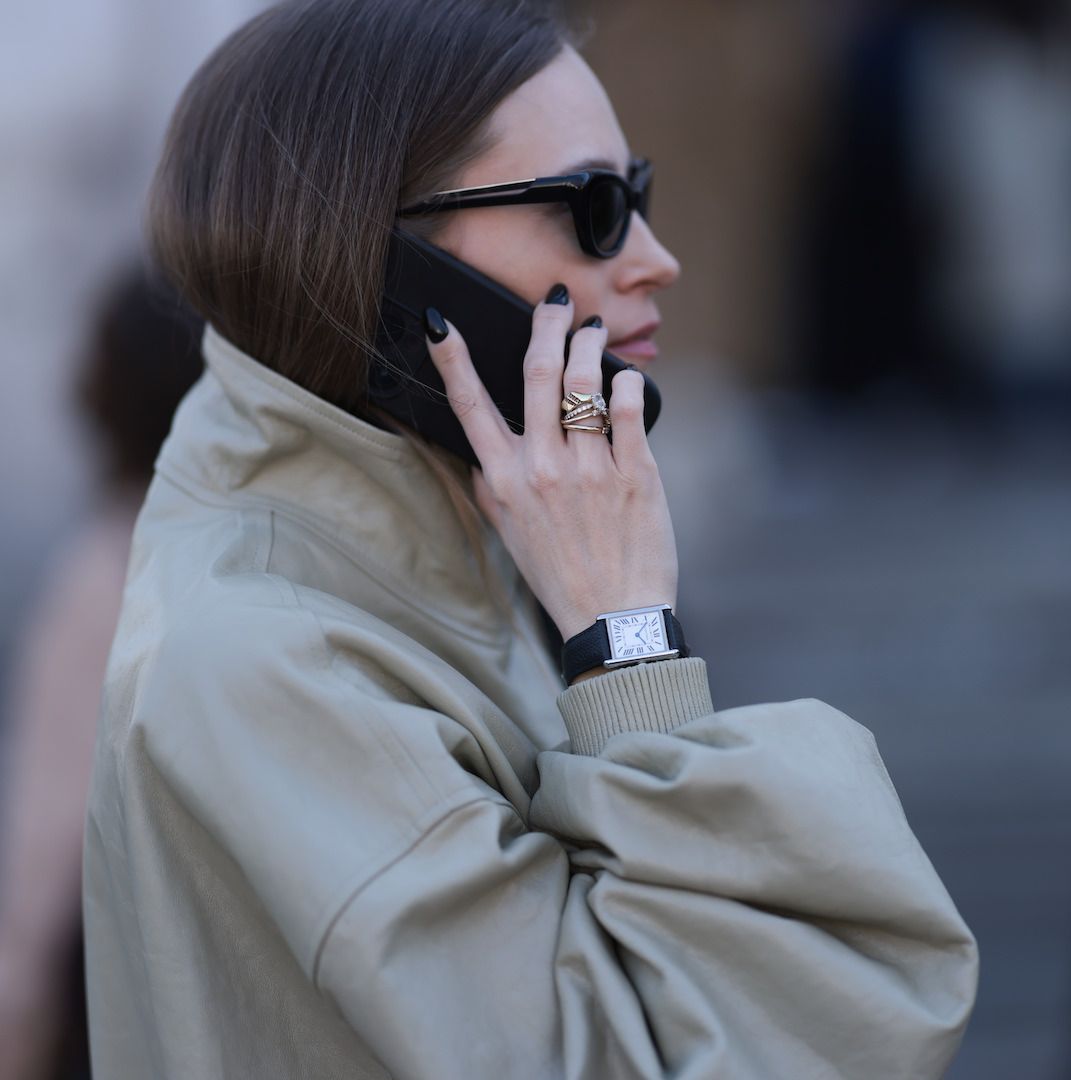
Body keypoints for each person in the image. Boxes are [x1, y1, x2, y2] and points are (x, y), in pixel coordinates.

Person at [83, 1, 979, 1077]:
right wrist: (626, 639)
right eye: (594, 208)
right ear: (388, 258)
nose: (656, 259)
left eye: (635, 195)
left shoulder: (466, 540)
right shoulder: (267, 664)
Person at [0, 267, 202, 1080]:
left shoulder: (105, 577)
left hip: (114, 1011)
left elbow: (49, 839)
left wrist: (16, 1029)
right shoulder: (246, 563)